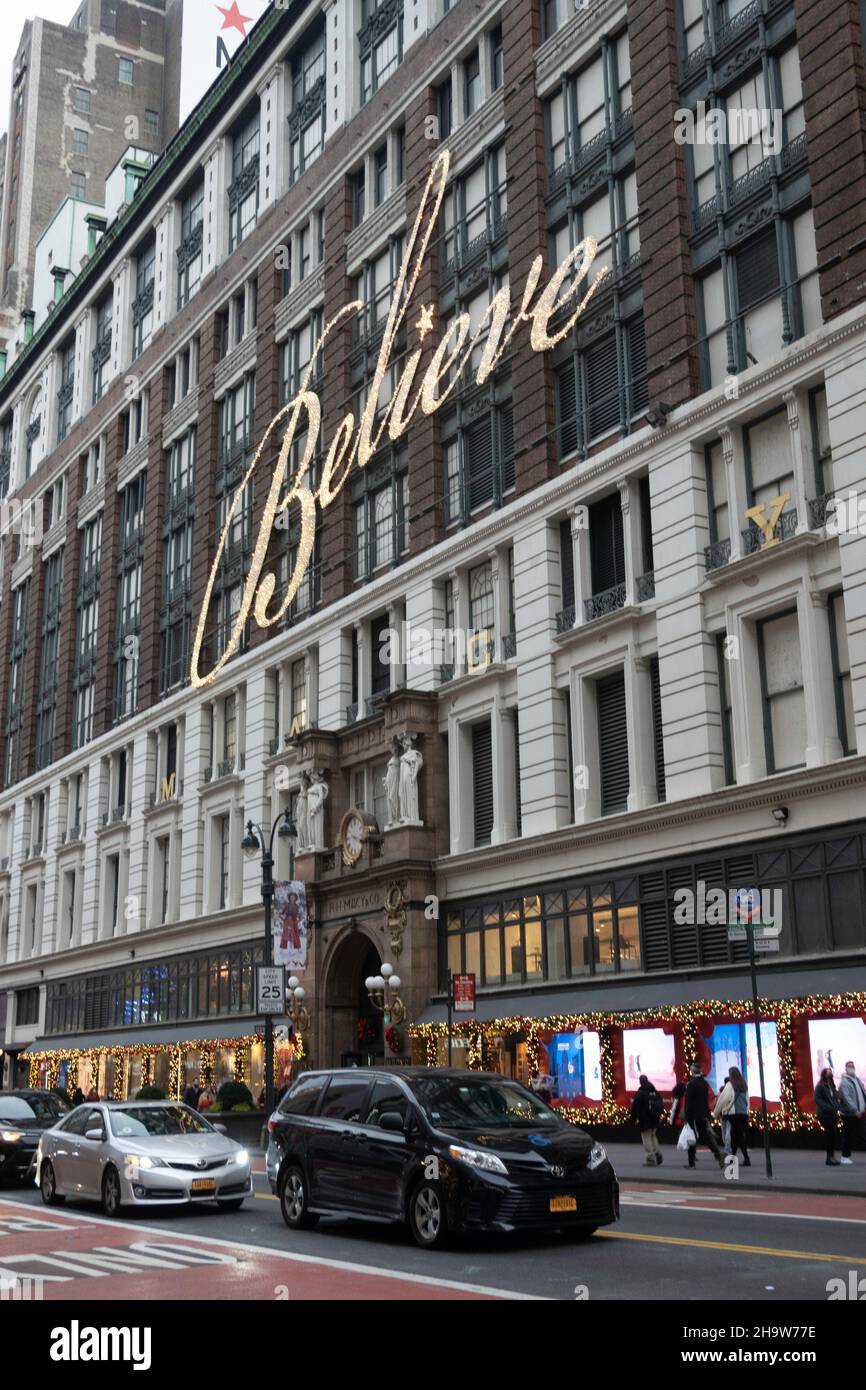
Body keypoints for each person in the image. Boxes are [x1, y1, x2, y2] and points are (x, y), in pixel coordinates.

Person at [684, 1062, 724, 1170]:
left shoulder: (691, 1084)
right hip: (703, 1114)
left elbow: (689, 1102)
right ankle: (718, 1154)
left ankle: (691, 1163)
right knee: (705, 1136)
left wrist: (687, 1117)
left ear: (693, 1071)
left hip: (693, 1115)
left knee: (691, 1138)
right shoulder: (704, 1083)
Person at [630, 1074, 664, 1165]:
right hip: (655, 1119)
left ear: (640, 1082)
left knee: (646, 1138)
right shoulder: (655, 1092)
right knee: (653, 1136)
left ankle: (650, 1158)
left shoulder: (641, 1093)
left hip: (645, 1120)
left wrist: (632, 1121)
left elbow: (635, 1108)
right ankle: (657, 1153)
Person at [838, 1060, 866, 1164]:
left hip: (860, 1113)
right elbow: (846, 1098)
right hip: (850, 1114)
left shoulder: (857, 1080)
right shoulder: (844, 1082)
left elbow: (863, 1094)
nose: (851, 1068)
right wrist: (855, 1110)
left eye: (852, 1066)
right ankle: (845, 1157)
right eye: (849, 1066)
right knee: (848, 1136)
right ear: (845, 1069)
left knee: (863, 1134)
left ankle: (845, 1156)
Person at [814, 1066, 841, 1166]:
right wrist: (828, 1107)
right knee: (830, 1134)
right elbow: (817, 1099)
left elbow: (836, 1098)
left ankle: (832, 1156)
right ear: (824, 1074)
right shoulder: (820, 1086)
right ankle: (829, 1158)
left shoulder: (831, 1086)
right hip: (824, 1114)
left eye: (831, 1072)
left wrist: (837, 1106)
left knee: (833, 1135)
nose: (830, 1074)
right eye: (828, 1072)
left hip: (833, 1114)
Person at [726, 1066, 751, 1165]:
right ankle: (733, 1158)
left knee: (738, 1135)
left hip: (734, 1113)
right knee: (735, 1135)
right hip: (743, 1113)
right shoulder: (743, 1084)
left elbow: (730, 1099)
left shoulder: (732, 1085)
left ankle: (746, 1159)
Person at [714, 1074, 734, 1154]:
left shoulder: (721, 1090)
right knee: (729, 1130)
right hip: (730, 1113)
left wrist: (716, 1112)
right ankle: (728, 1147)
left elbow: (717, 1102)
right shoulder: (732, 1090)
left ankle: (726, 1145)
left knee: (724, 1131)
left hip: (723, 1114)